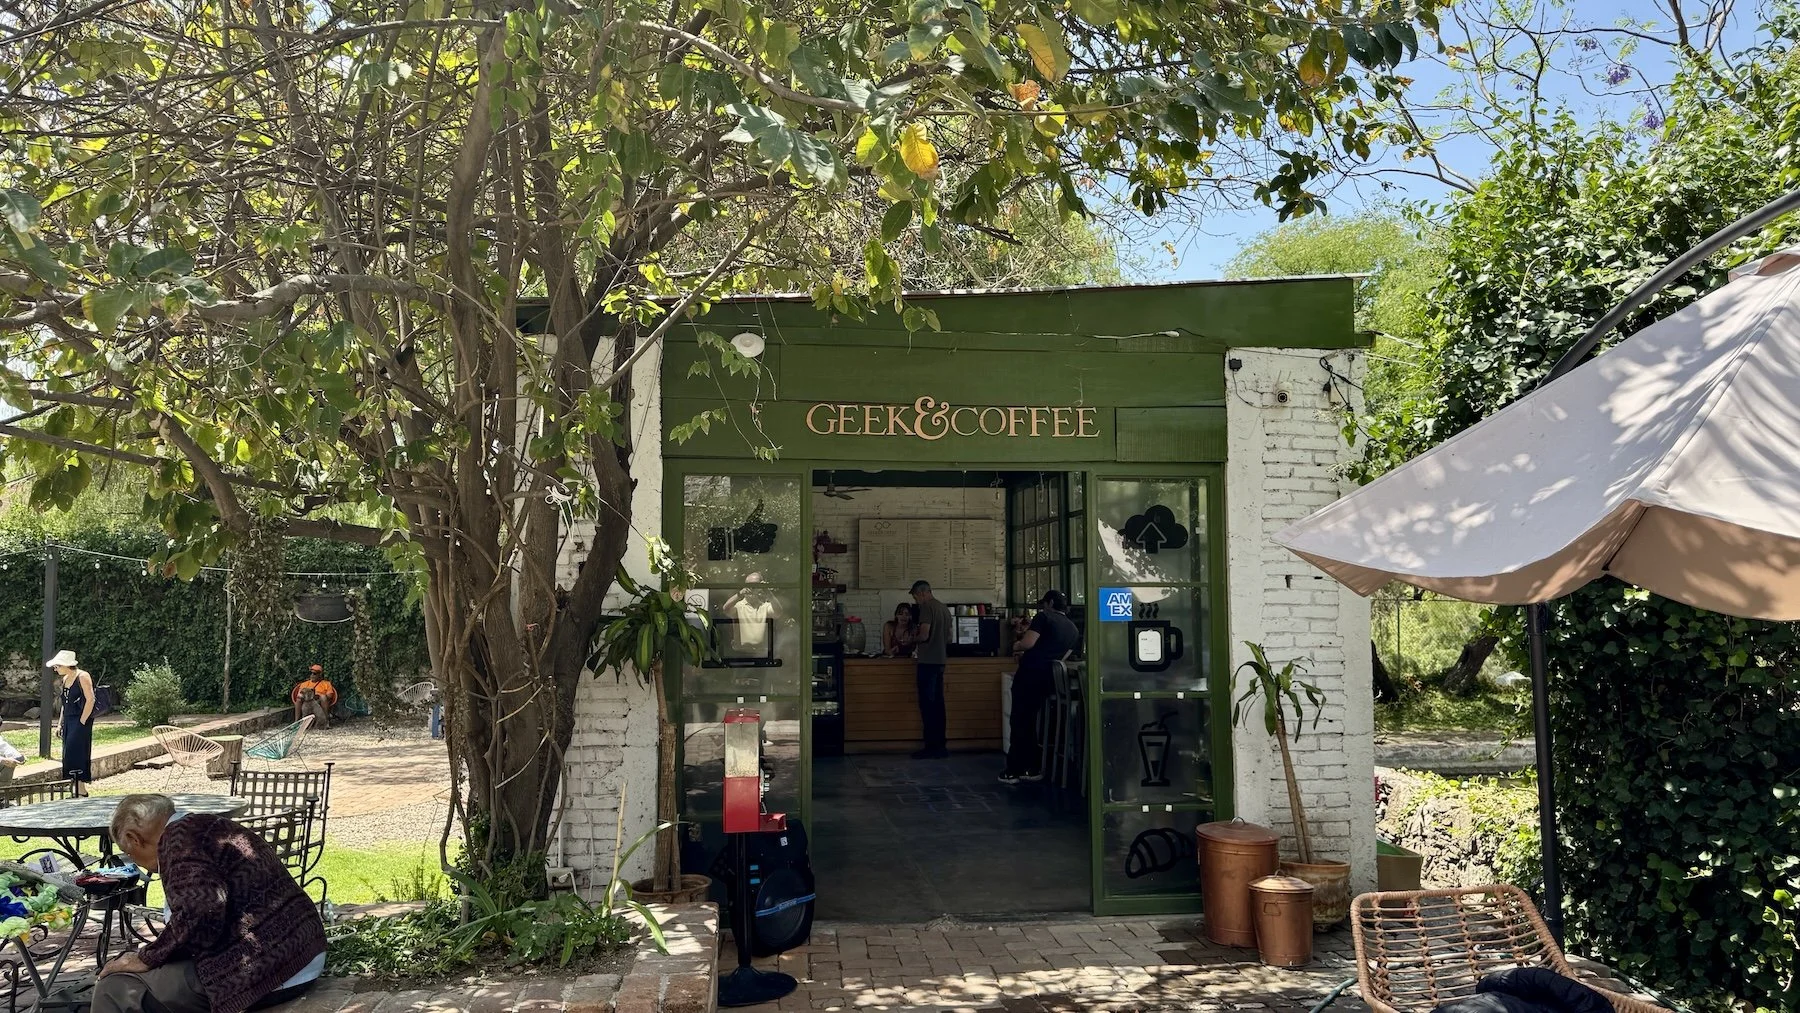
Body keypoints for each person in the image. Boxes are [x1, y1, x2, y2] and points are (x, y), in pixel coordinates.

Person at [95, 794, 326, 1013]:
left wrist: (148, 957)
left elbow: (201, 913)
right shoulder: (206, 824)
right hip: (302, 950)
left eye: (129, 853)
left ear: (135, 838)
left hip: (270, 969)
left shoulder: (177, 841)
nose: (138, 863)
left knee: (113, 989)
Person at [999, 589, 1080, 785]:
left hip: (1030, 675)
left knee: (1020, 721)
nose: (1043, 606)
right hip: (1049, 680)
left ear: (1050, 603)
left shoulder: (1044, 618)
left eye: (1044, 603)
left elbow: (1028, 643)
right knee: (1032, 721)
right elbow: (1062, 657)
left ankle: (1013, 770)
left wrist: (1015, 646)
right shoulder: (1073, 629)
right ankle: (1032, 767)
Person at [909, 580, 951, 760]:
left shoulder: (927, 608)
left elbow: (924, 634)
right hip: (941, 661)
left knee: (927, 705)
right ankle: (941, 745)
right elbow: (949, 637)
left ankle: (931, 747)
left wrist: (913, 639)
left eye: (916, 596)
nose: (917, 600)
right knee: (939, 705)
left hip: (927, 662)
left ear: (922, 593)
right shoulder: (944, 608)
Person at [46, 650, 94, 796]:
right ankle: (77, 788)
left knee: (77, 750)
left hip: (80, 718)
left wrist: (82, 720)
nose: (56, 669)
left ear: (65, 665)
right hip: (68, 718)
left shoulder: (83, 676)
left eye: (57, 666)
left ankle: (81, 788)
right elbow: (64, 703)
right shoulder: (66, 678)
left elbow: (90, 699)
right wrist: (60, 723)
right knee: (68, 753)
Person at [723, 573, 778, 655]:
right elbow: (726, 609)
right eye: (748, 585)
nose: (751, 588)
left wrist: (768, 592)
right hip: (741, 654)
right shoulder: (738, 606)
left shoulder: (765, 606)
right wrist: (739, 594)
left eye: (755, 585)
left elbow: (778, 612)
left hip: (761, 654)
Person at [291, 665, 336, 730]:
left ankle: (326, 721)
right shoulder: (304, 684)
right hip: (306, 701)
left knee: (323, 697)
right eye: (311, 673)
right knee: (298, 699)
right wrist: (306, 695)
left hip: (319, 701)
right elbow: (299, 695)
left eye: (314, 673)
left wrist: (318, 695)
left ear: (319, 675)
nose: (312, 675)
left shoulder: (326, 684)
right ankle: (296, 722)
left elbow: (330, 696)